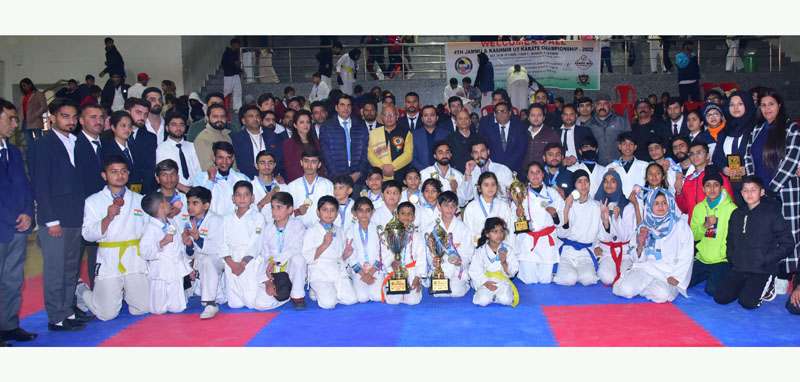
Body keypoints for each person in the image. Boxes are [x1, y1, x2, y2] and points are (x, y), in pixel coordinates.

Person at [29, 99, 93, 331]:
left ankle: (67, 310)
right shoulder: (43, 144)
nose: (71, 121)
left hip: (75, 216)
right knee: (56, 269)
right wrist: (51, 220)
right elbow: (40, 184)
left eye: (74, 117)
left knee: (71, 269)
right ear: (53, 117)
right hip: (55, 218)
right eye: (66, 116)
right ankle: (56, 316)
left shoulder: (75, 142)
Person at [79, 155, 149, 321]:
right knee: (106, 314)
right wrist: (107, 219)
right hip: (109, 259)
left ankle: (124, 291)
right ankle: (81, 289)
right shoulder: (93, 201)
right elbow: (87, 234)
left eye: (123, 171)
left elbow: (148, 231)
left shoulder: (140, 200)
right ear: (104, 176)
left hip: (134, 258)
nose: (120, 175)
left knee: (143, 308)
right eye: (114, 172)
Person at [744, 88, 800, 290]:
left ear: (780, 105)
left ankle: (786, 273)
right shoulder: (757, 129)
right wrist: (754, 186)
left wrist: (772, 189)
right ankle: (769, 272)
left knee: (787, 233)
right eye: (764, 105)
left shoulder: (791, 128)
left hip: (784, 192)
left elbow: (792, 160)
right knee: (765, 234)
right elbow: (748, 158)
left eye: (771, 104)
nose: (767, 108)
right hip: (760, 193)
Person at [714, 176, 794, 309]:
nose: (749, 194)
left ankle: (769, 285)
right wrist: (732, 257)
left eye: (753, 190)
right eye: (745, 190)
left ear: (762, 192)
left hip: (762, 268)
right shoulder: (736, 214)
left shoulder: (771, 213)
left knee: (748, 303)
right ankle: (746, 285)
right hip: (740, 267)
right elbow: (730, 239)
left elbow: (788, 243)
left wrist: (765, 259)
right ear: (741, 193)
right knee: (720, 297)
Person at [612, 189, 694, 303]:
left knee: (662, 296)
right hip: (645, 267)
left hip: (668, 272)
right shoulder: (643, 226)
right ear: (650, 205)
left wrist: (678, 277)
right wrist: (640, 245)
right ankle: (637, 284)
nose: (661, 206)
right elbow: (634, 257)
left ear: (669, 203)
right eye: (656, 203)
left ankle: (640, 286)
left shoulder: (680, 226)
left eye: (664, 203)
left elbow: (687, 254)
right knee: (626, 290)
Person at [0, 99, 37, 345]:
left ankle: (8, 325)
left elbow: (24, 186)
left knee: (13, 280)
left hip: (17, 228)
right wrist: (11, 218)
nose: (15, 124)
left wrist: (28, 214)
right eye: (10, 118)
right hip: (4, 224)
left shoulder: (12, 151)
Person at [220, 181, 277, 310]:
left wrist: (242, 264)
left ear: (252, 198)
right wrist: (231, 263)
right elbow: (223, 242)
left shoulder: (258, 217)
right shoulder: (227, 218)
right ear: (233, 198)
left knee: (251, 303)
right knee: (234, 304)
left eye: (246, 195)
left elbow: (255, 242)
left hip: (249, 260)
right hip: (231, 260)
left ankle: (278, 296)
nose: (242, 198)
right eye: (238, 195)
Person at [139, 191, 192, 314]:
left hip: (175, 267)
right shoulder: (150, 228)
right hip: (160, 269)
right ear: (161, 206)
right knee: (158, 309)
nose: (170, 204)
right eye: (167, 201)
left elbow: (178, 247)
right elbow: (144, 251)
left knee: (177, 307)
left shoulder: (172, 222)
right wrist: (161, 243)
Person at [302, 196, 358, 309]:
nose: (329, 213)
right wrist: (324, 244)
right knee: (329, 304)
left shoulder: (339, 230)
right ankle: (316, 289)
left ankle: (326, 290)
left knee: (351, 300)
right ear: (318, 212)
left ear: (337, 213)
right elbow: (306, 258)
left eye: (332, 210)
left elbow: (340, 257)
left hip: (337, 270)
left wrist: (345, 255)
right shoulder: (311, 231)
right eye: (325, 210)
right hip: (319, 271)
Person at [513, 161, 564, 284]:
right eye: (532, 173)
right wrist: (517, 215)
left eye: (538, 172)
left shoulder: (552, 194)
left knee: (545, 280)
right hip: (528, 240)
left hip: (546, 241)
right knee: (530, 280)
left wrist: (555, 215)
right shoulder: (521, 194)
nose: (535, 176)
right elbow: (512, 220)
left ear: (543, 174)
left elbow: (562, 220)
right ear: (527, 176)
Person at [687, 169, 735, 296]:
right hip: (702, 259)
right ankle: (710, 275)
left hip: (721, 260)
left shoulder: (731, 209)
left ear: (721, 187)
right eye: (708, 185)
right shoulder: (698, 208)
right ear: (703, 189)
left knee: (712, 290)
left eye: (716, 185)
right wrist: (705, 226)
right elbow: (694, 236)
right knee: (682, 283)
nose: (712, 189)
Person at [180, 186, 227, 319]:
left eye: (195, 203)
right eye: (188, 203)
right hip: (199, 263)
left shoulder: (215, 220)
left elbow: (217, 248)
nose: (190, 207)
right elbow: (191, 252)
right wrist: (189, 245)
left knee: (207, 261)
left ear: (206, 205)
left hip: (218, 260)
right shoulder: (188, 221)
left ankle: (210, 304)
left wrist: (197, 239)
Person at [74, 104, 107, 287]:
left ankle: (99, 294)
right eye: (93, 117)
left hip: (104, 211)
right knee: (75, 260)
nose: (98, 121)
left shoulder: (106, 145)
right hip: (80, 211)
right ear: (81, 120)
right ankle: (73, 302)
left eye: (101, 117)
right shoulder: (74, 146)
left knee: (98, 257)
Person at [553, 170, 602, 286]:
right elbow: (561, 233)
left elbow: (600, 233)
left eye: (586, 181)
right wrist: (566, 209)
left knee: (588, 280)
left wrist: (598, 247)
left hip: (585, 252)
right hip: (567, 252)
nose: (584, 185)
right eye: (579, 182)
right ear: (574, 185)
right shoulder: (567, 204)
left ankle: (578, 272)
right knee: (569, 279)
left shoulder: (596, 206)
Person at [422, 191, 474, 298]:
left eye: (453, 206)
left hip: (456, 270)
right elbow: (426, 252)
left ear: (456, 208)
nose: (449, 209)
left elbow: (468, 251)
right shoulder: (430, 228)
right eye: (446, 205)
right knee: (438, 294)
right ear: (439, 207)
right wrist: (433, 261)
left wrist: (461, 261)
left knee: (456, 293)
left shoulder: (463, 228)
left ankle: (466, 284)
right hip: (438, 269)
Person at [262, 191, 309, 310]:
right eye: (272, 207)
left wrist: (276, 260)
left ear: (290, 209)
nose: (275, 211)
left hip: (290, 267)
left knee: (298, 258)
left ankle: (297, 296)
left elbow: (295, 247)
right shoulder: (267, 228)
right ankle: (286, 295)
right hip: (272, 271)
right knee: (260, 304)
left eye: (279, 207)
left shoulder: (297, 224)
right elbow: (263, 255)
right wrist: (267, 281)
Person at [594, 170, 637, 285]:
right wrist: (596, 246)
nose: (608, 185)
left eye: (613, 181)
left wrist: (617, 218)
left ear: (618, 184)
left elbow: (626, 236)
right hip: (606, 251)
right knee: (606, 278)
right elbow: (594, 229)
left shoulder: (627, 206)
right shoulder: (598, 203)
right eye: (606, 181)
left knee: (626, 278)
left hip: (625, 253)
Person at [714, 90, 757, 206]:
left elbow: (760, 156)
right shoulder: (723, 132)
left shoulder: (755, 129)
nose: (735, 107)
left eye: (740, 104)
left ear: (747, 105)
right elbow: (716, 157)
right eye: (731, 104)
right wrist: (724, 168)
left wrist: (747, 168)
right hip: (729, 184)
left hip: (750, 184)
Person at [100, 108, 157, 194]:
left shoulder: (133, 146)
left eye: (129, 126)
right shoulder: (107, 149)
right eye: (123, 126)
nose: (127, 129)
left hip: (136, 192)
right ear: (113, 127)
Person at [320, 95, 369, 191]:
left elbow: (366, 151)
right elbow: (326, 155)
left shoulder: (361, 125)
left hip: (357, 179)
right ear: (336, 108)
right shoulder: (327, 126)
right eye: (342, 105)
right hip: (336, 179)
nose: (346, 108)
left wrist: (358, 173)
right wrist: (337, 176)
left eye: (348, 105)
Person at [378, 202, 424, 304]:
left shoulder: (417, 237)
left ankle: (414, 286)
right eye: (403, 213)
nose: (406, 217)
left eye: (409, 214)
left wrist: (417, 278)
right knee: (392, 301)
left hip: (411, 272)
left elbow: (421, 259)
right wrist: (391, 263)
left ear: (414, 217)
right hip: (395, 273)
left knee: (413, 301)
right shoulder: (389, 235)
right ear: (397, 216)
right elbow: (384, 254)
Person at [676, 144, 734, 223]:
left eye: (699, 153)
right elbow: (686, 209)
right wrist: (679, 193)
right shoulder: (688, 179)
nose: (695, 156)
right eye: (691, 154)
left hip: (715, 225)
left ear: (708, 156)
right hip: (695, 226)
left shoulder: (718, 175)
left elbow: (729, 202)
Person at [470, 218, 520, 307]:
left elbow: (513, 270)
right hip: (486, 279)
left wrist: (504, 263)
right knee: (483, 301)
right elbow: (475, 270)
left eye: (501, 231)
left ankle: (496, 296)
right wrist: (485, 282)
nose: (499, 235)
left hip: (502, 281)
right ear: (487, 234)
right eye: (495, 232)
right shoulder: (481, 250)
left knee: (505, 300)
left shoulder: (508, 249)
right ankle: (489, 295)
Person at [192, 141, 249, 218]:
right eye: (220, 157)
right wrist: (210, 180)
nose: (224, 162)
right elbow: (197, 203)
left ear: (232, 159)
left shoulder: (242, 179)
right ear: (214, 158)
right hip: (209, 224)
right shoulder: (201, 177)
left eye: (228, 158)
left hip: (234, 224)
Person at [231, 104, 285, 180]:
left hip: (271, 179)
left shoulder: (273, 136)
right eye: (251, 116)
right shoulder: (236, 139)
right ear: (243, 121)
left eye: (257, 116)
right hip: (247, 180)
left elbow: (280, 159)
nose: (255, 119)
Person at [462, 172, 515, 245]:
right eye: (486, 185)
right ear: (479, 188)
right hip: (478, 248)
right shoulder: (471, 207)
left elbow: (510, 231)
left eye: (493, 184)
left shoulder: (504, 206)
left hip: (501, 248)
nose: (490, 188)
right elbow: (468, 234)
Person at [287, 147, 334, 228]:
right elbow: (284, 213)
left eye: (313, 162)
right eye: (306, 161)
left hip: (321, 229)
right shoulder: (292, 186)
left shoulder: (327, 184)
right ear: (301, 162)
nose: (309, 165)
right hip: (297, 230)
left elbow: (333, 210)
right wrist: (298, 212)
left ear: (319, 165)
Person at [156, 112, 202, 192]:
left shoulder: (192, 146)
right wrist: (186, 190)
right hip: (174, 191)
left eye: (182, 125)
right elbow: (163, 175)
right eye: (174, 125)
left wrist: (197, 190)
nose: (178, 128)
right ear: (167, 128)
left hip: (194, 190)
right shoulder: (162, 148)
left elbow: (198, 170)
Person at [478, 101, 528, 176]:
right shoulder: (488, 130)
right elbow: (487, 150)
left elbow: (521, 150)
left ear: (510, 113)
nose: (500, 114)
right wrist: (498, 166)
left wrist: (508, 166)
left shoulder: (519, 128)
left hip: (515, 170)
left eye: (503, 111)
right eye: (497, 112)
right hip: (495, 170)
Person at [461, 136, 515, 203]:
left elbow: (513, 194)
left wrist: (498, 186)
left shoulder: (503, 170)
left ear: (488, 151)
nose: (479, 155)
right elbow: (466, 197)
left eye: (482, 151)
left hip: (501, 210)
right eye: (475, 153)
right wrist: (468, 172)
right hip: (480, 211)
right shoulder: (470, 172)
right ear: (472, 155)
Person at [368, 105, 413, 182]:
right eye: (386, 115)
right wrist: (382, 167)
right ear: (382, 117)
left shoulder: (406, 133)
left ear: (397, 116)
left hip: (400, 176)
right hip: (380, 177)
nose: (389, 118)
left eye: (392, 115)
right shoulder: (373, 133)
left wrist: (392, 167)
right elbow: (370, 154)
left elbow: (408, 154)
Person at [583, 94, 632, 166]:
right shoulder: (588, 125)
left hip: (619, 164)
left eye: (605, 104)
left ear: (610, 105)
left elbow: (630, 143)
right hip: (597, 166)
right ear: (595, 107)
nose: (602, 107)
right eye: (599, 104)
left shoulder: (622, 121)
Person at [419, 140, 471, 206]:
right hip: (430, 213)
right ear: (435, 156)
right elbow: (419, 196)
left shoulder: (458, 176)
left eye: (447, 152)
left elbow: (463, 203)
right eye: (440, 153)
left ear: (451, 154)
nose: (444, 155)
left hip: (452, 214)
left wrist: (455, 191)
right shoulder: (425, 174)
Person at [282, 110, 325, 183]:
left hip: (317, 181)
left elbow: (321, 164)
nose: (305, 125)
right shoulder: (288, 144)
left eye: (308, 122)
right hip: (297, 182)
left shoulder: (316, 142)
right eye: (302, 122)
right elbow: (290, 168)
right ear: (295, 125)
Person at [606, 132, 649, 197]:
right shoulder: (610, 167)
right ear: (619, 146)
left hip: (638, 205)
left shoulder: (645, 166)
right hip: (617, 205)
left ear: (635, 147)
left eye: (631, 144)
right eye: (624, 144)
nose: (627, 147)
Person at [251, 151, 287, 225]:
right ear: (256, 165)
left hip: (278, 229)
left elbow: (289, 213)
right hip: (256, 229)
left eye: (270, 163)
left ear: (274, 165)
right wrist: (263, 202)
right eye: (262, 163)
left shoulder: (283, 188)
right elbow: (245, 213)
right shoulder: (249, 187)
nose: (266, 166)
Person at [524, 104, 561, 175]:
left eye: (539, 115)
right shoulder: (523, 133)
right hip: (525, 174)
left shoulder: (551, 134)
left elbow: (557, 155)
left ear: (544, 117)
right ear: (528, 118)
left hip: (544, 175)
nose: (536, 118)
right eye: (533, 115)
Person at [411, 105, 449, 171]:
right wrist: (425, 171)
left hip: (443, 172)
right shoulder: (414, 135)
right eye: (426, 115)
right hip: (421, 173)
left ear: (437, 118)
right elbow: (412, 157)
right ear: (422, 119)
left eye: (432, 115)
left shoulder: (446, 134)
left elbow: (449, 154)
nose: (429, 118)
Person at [19, 78, 47, 148]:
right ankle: (31, 156)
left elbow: (44, 107)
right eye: (22, 86)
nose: (24, 88)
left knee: (38, 140)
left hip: (35, 120)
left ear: (30, 85)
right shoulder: (23, 96)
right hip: (25, 120)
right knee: (29, 141)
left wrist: (36, 115)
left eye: (25, 86)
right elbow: (21, 108)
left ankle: (40, 155)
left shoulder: (38, 94)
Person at [222, 38, 243, 113]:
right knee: (227, 92)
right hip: (229, 75)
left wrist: (238, 71)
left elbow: (236, 64)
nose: (238, 46)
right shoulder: (227, 53)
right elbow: (225, 64)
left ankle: (238, 107)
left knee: (238, 90)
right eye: (237, 44)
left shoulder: (235, 53)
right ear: (233, 45)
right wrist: (237, 69)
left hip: (235, 74)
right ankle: (225, 108)